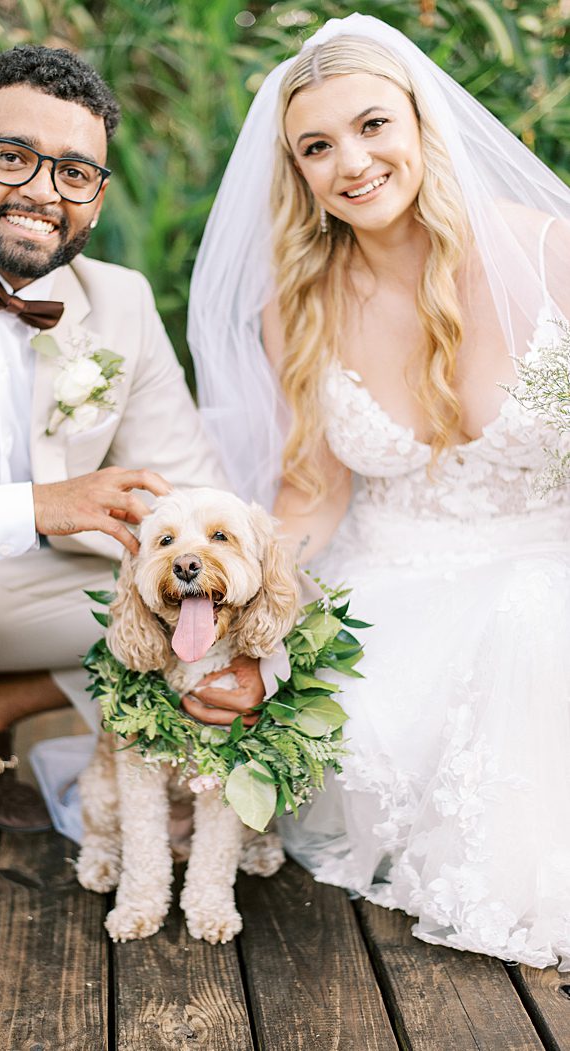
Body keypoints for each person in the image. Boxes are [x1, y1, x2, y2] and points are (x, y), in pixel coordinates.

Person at [0, 44, 264, 924]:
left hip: (45, 583)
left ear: (97, 199)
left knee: (187, 618)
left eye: (74, 172)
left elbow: (197, 492)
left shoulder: (121, 301)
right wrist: (35, 506)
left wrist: (252, 642)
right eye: (13, 157)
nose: (43, 190)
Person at [189, 14, 570, 967]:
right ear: (297, 171)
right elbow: (310, 498)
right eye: (316, 147)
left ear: (421, 121)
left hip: (549, 559)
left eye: (371, 126)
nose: (351, 162)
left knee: (533, 622)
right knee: (366, 709)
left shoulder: (549, 256)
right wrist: (245, 616)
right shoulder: (301, 304)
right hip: (393, 585)